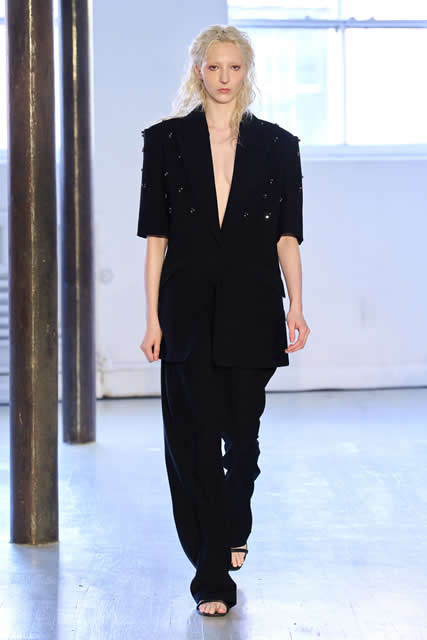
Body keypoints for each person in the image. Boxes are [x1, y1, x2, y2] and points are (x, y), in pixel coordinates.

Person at [137, 24, 310, 617]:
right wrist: (151, 318)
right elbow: (156, 239)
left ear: (247, 72)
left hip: (253, 309)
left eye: (234, 67)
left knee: (243, 439)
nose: (224, 77)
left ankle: (235, 519)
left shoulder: (278, 145)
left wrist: (297, 304)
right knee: (195, 447)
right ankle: (212, 576)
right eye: (213, 67)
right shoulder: (165, 142)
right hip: (185, 311)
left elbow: (287, 237)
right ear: (198, 71)